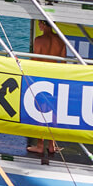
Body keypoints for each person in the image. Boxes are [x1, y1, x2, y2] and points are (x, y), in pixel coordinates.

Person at [27, 22, 66, 156]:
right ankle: (51, 145)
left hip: (42, 78)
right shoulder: (60, 41)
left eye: (40, 23)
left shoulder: (39, 40)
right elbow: (64, 63)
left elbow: (34, 61)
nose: (38, 25)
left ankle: (40, 145)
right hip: (55, 78)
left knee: (41, 112)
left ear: (43, 25)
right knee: (53, 112)